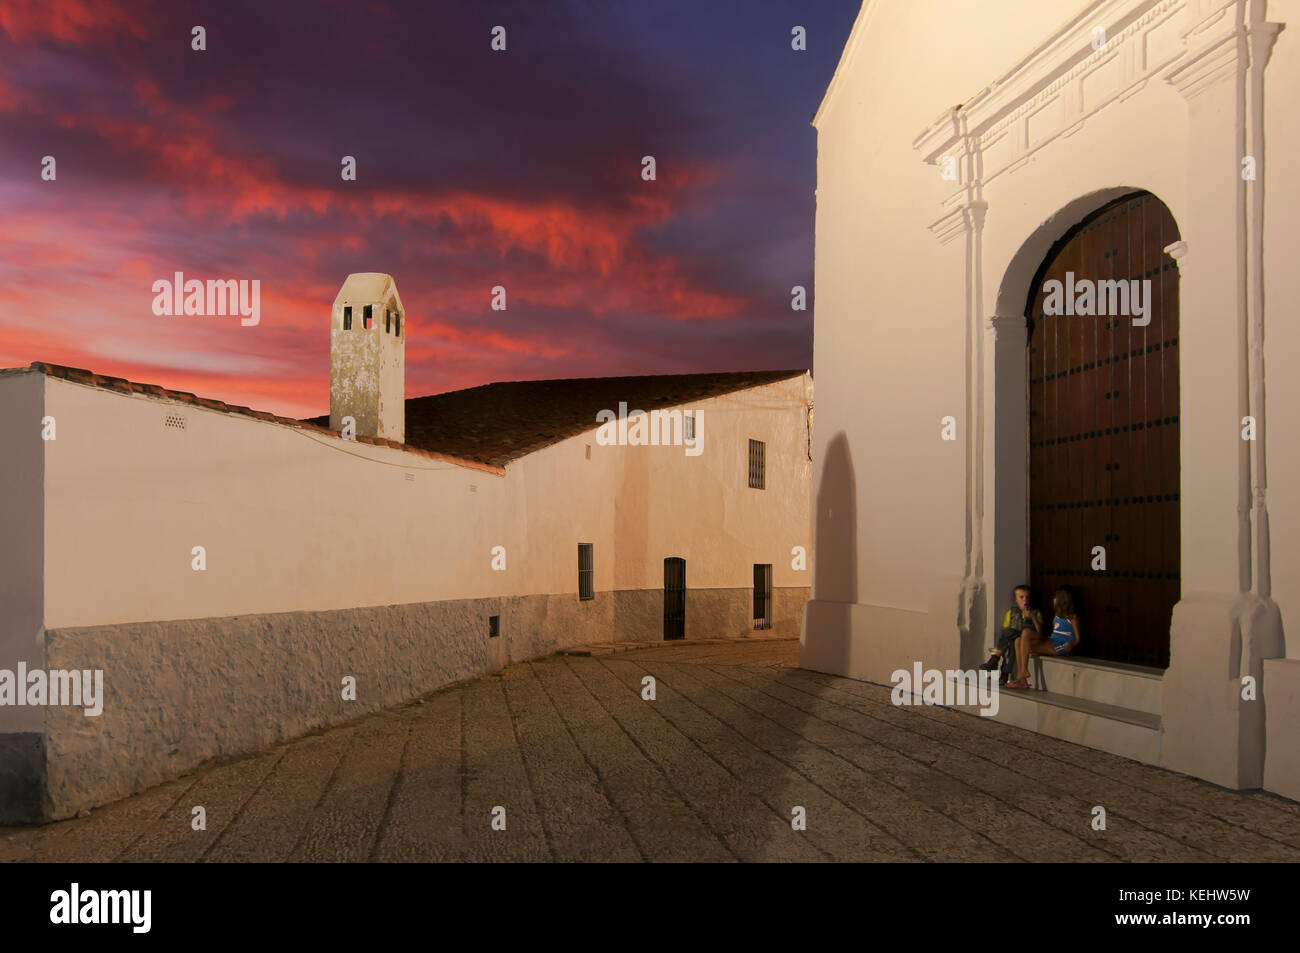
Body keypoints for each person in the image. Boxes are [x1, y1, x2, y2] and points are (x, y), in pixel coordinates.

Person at [1007, 587, 1081, 690]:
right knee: (1018, 640)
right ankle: (1022, 675)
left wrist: (1072, 644)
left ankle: (1022, 675)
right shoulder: (1057, 615)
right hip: (1052, 641)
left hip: (1061, 645)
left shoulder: (1073, 617)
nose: (1053, 600)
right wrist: (1032, 617)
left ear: (1061, 599)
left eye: (1055, 597)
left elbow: (1077, 638)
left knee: (1025, 635)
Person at [980, 585, 1041, 685]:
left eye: (1027, 597)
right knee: (1012, 643)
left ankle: (996, 659)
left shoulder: (1035, 612)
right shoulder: (1011, 613)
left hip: (1028, 639)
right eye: (1021, 597)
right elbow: (1005, 633)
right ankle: (1004, 672)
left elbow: (1039, 632)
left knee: (1009, 634)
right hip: (1016, 640)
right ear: (1016, 599)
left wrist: (1032, 617)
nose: (1025, 600)